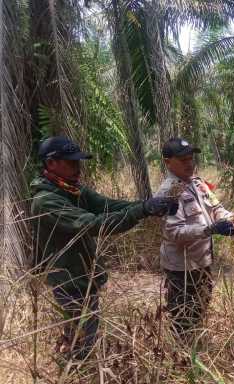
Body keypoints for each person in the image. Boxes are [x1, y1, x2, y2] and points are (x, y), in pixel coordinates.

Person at [31, 136, 177, 361]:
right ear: (51, 163)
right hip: (69, 282)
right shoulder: (46, 201)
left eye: (78, 162)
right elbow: (94, 224)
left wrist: (146, 206)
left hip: (84, 277)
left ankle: (74, 375)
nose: (77, 168)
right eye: (71, 163)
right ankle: (73, 380)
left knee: (83, 336)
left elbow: (106, 205)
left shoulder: (73, 190)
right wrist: (143, 211)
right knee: (81, 343)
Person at [155, 137, 234, 340]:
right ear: (168, 162)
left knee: (200, 311)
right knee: (182, 320)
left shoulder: (198, 184)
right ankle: (181, 360)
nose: (190, 163)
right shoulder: (168, 193)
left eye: (191, 158)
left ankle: (194, 352)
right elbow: (174, 233)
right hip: (181, 269)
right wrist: (210, 229)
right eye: (183, 160)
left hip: (202, 263)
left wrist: (232, 220)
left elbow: (216, 208)